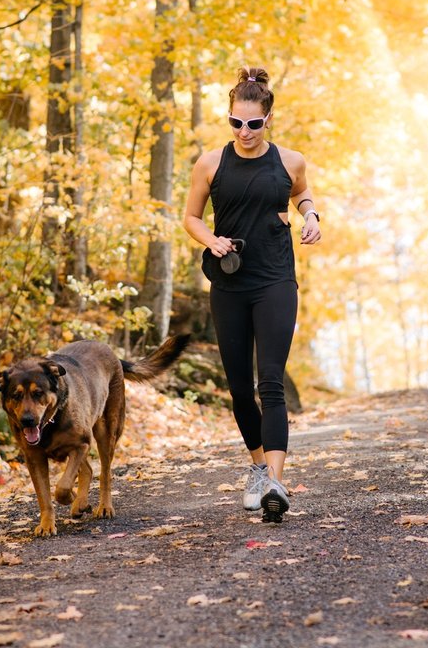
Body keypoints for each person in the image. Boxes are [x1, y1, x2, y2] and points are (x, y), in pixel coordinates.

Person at [182, 66, 322, 523]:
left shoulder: (289, 160)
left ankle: (276, 484)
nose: (244, 132)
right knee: (240, 389)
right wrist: (211, 240)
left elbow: (301, 194)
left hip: (275, 279)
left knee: (271, 382)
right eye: (236, 123)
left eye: (254, 123)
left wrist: (311, 215)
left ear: (268, 120)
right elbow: (191, 218)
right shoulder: (210, 164)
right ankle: (258, 469)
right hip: (229, 284)